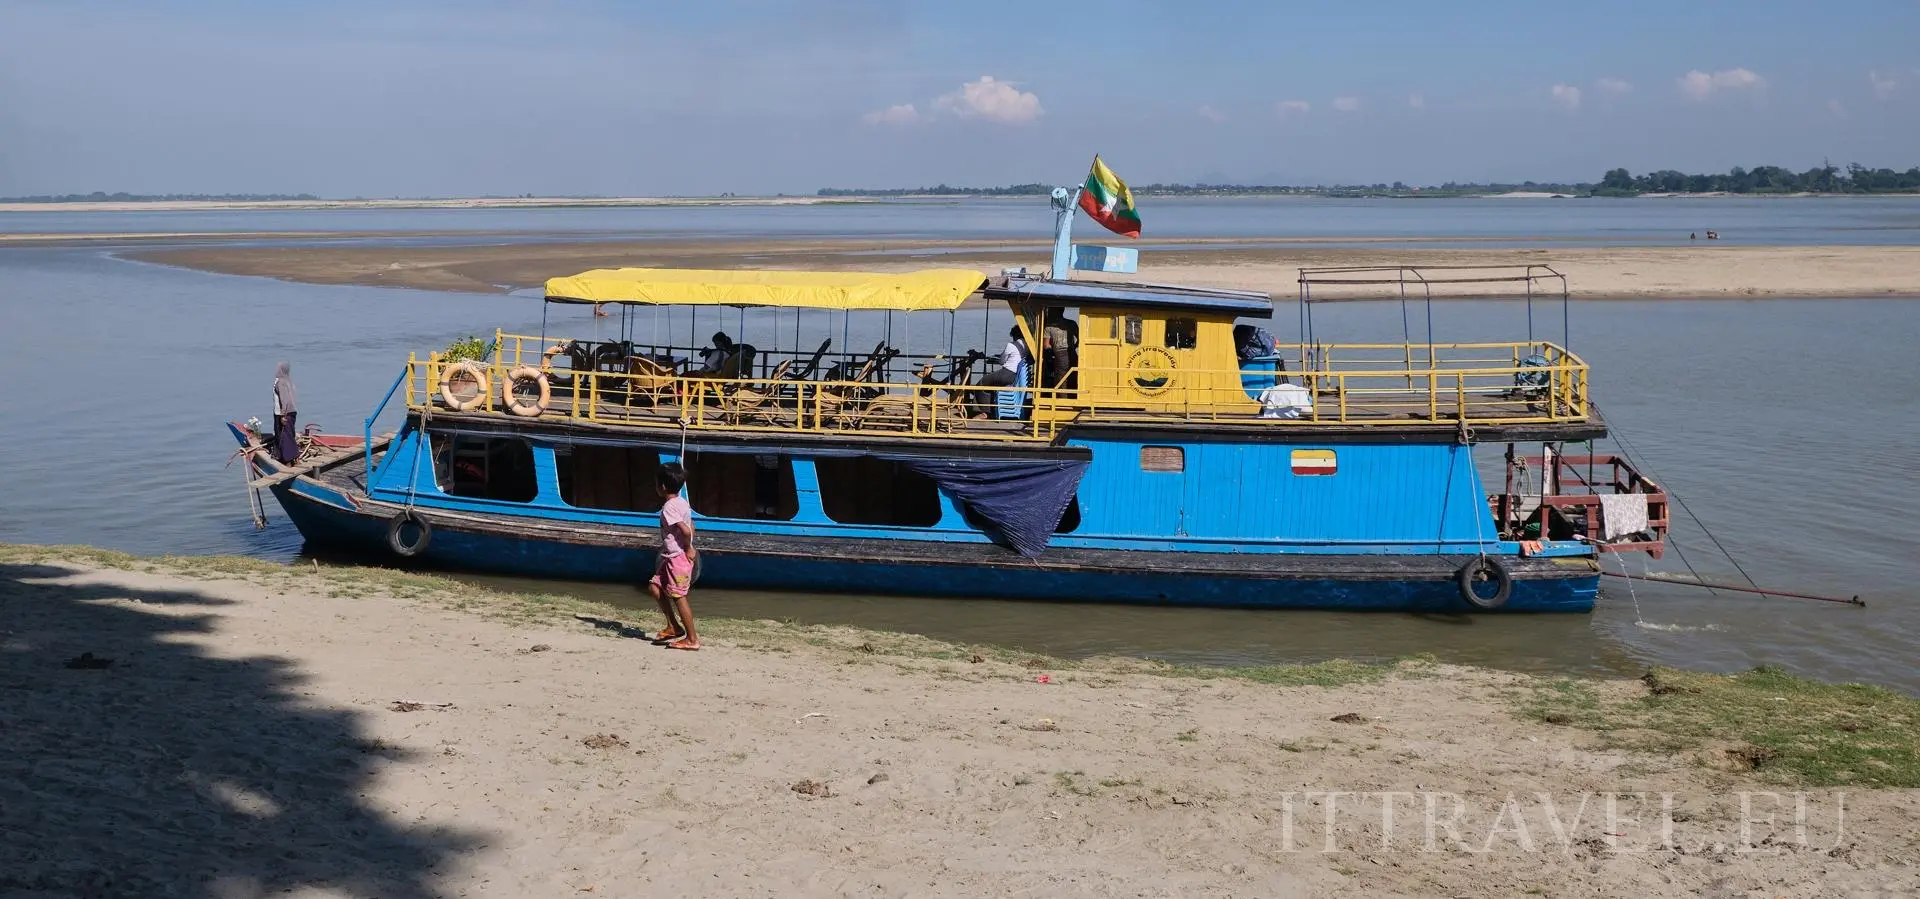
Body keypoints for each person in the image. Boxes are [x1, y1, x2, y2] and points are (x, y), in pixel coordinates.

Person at [647, 462, 700, 650]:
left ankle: (692, 639)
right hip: (671, 557)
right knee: (655, 587)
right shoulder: (682, 502)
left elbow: (686, 530)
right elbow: (692, 526)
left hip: (677, 558)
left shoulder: (669, 507)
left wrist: (689, 547)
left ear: (661, 486)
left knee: (679, 596)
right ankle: (674, 627)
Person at [271, 362, 299, 463]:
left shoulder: (280, 382)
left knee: (284, 437)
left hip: (283, 413)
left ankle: (288, 460)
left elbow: (284, 399)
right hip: (293, 411)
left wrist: (283, 415)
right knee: (290, 435)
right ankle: (294, 458)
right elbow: (293, 398)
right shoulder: (289, 381)